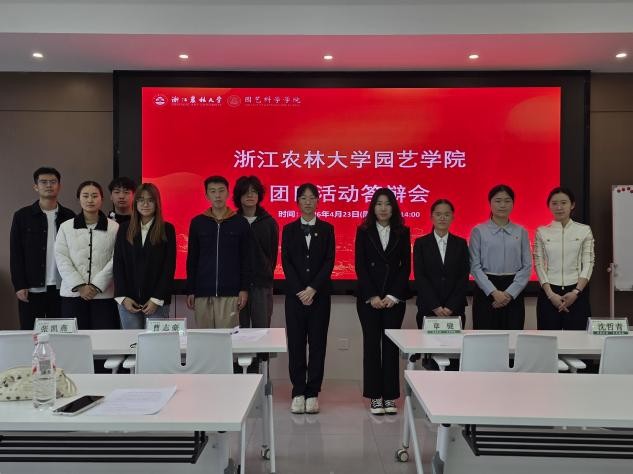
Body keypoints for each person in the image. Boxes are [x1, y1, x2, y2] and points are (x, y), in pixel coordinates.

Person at [355, 188, 411, 415]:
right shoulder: (363, 231)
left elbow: (405, 267)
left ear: (393, 207)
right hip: (369, 300)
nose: (383, 208)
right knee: (371, 346)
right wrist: (373, 296)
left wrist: (392, 296)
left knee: (390, 348)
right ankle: (374, 396)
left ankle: (390, 396)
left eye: (387, 204)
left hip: (393, 301)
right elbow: (360, 265)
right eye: (379, 204)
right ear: (373, 207)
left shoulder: (403, 232)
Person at [282, 183, 335, 415]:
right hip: (295, 298)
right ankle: (298, 391)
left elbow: (329, 261)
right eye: (303, 198)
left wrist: (312, 289)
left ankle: (313, 392)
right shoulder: (288, 229)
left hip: (319, 297)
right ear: (297, 202)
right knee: (295, 344)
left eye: (312, 198)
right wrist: (300, 291)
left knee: (317, 344)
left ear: (318, 201)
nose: (308, 202)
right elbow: (286, 263)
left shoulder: (327, 229)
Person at [10, 167, 75, 329]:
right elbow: (16, 254)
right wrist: (19, 285)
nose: (49, 185)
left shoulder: (69, 216)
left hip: (62, 287)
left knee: (61, 333)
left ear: (59, 186)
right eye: (43, 182)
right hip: (32, 287)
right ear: (36, 186)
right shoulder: (22, 216)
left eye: (53, 182)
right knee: (30, 333)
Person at [186, 176, 251, 329]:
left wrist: (244, 289)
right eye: (213, 191)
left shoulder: (240, 223)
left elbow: (246, 259)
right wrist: (191, 290)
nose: (217, 195)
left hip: (230, 293)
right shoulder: (198, 222)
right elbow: (192, 259)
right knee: (204, 338)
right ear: (207, 195)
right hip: (202, 293)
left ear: (228, 193)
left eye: (221, 191)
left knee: (228, 339)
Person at [413, 199, 470, 371]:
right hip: (428, 309)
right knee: (430, 359)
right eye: (438, 214)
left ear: (453, 217)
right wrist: (435, 306)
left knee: (453, 358)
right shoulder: (421, 243)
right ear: (431, 217)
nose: (442, 218)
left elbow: (463, 277)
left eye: (446, 214)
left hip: (455, 310)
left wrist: (451, 306)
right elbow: (420, 276)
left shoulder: (461, 243)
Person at [55, 181, 119, 329]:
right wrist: (80, 286)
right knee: (75, 338)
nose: (90, 200)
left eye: (95, 196)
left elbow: (116, 259)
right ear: (79, 199)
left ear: (102, 199)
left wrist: (97, 285)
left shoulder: (114, 228)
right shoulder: (66, 227)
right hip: (73, 295)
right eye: (85, 196)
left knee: (104, 338)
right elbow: (61, 258)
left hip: (104, 295)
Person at [113, 183, 176, 329]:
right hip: (128, 302)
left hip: (156, 303)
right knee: (131, 342)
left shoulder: (167, 229)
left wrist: (156, 299)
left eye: (150, 200)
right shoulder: (124, 228)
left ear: (157, 203)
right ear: (135, 203)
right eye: (141, 200)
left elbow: (168, 267)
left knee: (155, 342)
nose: (145, 204)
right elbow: (118, 263)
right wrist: (123, 297)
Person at [470, 184, 531, 330]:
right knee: (485, 337)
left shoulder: (521, 231)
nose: (502, 205)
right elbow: (474, 266)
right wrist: (494, 292)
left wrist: (509, 294)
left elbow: (527, 266)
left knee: (513, 337)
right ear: (490, 203)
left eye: (507, 201)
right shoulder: (479, 231)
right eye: (498, 201)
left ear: (513, 204)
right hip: (486, 291)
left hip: (514, 290)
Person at [534, 187, 595, 330]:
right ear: (549, 206)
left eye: (563, 203)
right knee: (548, 338)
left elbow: (588, 263)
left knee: (578, 338)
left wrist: (576, 292)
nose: (559, 207)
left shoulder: (584, 230)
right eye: (554, 203)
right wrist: (550, 295)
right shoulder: (542, 232)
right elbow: (538, 264)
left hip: (577, 292)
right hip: (549, 293)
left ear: (572, 205)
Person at [233, 176, 279, 330]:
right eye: (245, 192)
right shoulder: (232, 221)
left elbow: (272, 256)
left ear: (259, 195)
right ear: (238, 196)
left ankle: (262, 352)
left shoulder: (269, 222)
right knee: (238, 332)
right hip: (236, 287)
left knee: (262, 331)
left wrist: (265, 272)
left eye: (254, 191)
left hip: (262, 285)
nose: (250, 195)